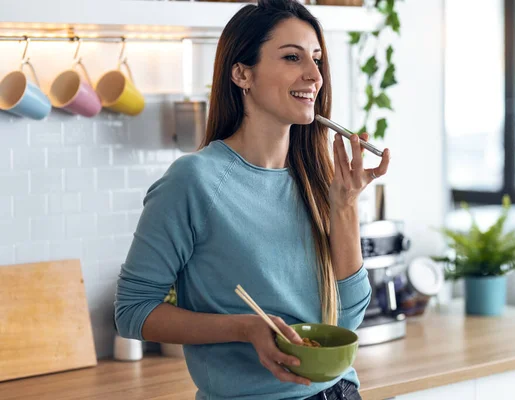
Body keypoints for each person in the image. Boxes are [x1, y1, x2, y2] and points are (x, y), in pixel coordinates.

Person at [114, 0, 391, 399]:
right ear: (242, 73)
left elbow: (347, 319)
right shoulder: (194, 181)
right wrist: (244, 328)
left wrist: (345, 207)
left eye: (317, 59)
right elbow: (132, 312)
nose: (314, 75)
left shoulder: (319, 181)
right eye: (292, 57)